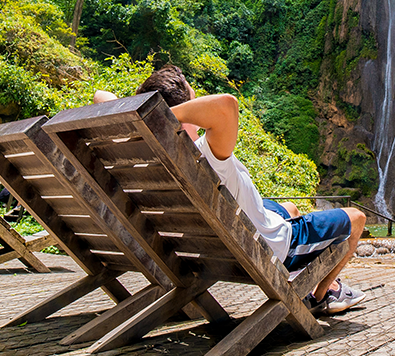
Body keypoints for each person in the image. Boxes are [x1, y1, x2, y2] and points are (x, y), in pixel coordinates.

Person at [94, 66, 367, 314]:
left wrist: (149, 123)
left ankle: (311, 283)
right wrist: (163, 119)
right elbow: (226, 105)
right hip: (267, 248)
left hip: (214, 250)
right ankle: (321, 297)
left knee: (289, 209)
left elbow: (99, 96)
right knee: (357, 218)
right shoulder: (204, 155)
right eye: (194, 96)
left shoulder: (147, 158)